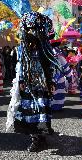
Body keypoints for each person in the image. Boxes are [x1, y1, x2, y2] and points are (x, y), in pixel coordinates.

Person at [7, 12, 60, 152]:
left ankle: (40, 138)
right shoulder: (23, 49)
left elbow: (51, 66)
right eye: (28, 30)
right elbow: (21, 65)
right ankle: (35, 138)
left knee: (41, 111)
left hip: (41, 86)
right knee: (29, 112)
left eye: (33, 30)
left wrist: (51, 82)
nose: (31, 34)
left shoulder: (45, 48)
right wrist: (22, 80)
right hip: (29, 86)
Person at [50, 39, 72, 111]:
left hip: (50, 77)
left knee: (52, 92)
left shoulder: (47, 53)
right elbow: (66, 67)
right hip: (59, 78)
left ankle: (50, 106)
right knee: (58, 92)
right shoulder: (59, 55)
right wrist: (69, 77)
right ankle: (57, 107)